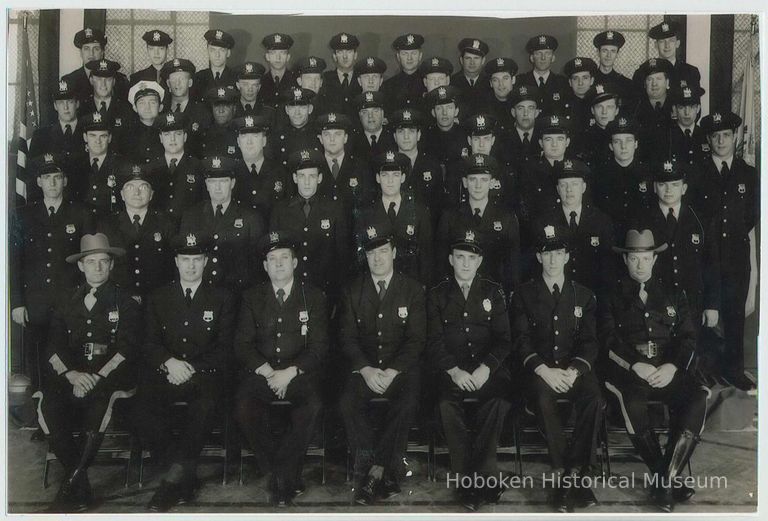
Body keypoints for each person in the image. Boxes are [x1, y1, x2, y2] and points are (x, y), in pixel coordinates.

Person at [600, 228, 708, 512]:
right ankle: (667, 481)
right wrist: (636, 364)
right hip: (630, 372)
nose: (639, 264)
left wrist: (672, 366)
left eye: (645, 258)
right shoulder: (612, 296)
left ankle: (663, 480)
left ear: (654, 259)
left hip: (668, 370)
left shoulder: (674, 293)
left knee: (697, 396)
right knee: (633, 403)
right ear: (625, 261)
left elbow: (688, 338)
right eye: (634, 258)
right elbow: (608, 340)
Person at [38, 233, 140, 512]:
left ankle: (68, 489)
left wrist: (95, 376)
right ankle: (79, 485)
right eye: (91, 261)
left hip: (107, 377)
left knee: (97, 410)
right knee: (50, 409)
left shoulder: (126, 301)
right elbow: (53, 346)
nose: (97, 267)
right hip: (72, 375)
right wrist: (71, 375)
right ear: (81, 266)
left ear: (111, 266)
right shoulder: (66, 300)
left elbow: (126, 349)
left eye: (103, 262)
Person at [137, 232, 236, 512]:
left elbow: (226, 346)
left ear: (205, 262)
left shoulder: (222, 297)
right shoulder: (158, 297)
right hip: (167, 371)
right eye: (185, 260)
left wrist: (191, 367)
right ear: (176, 262)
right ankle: (184, 472)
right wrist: (169, 363)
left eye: (196, 260)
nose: (190, 266)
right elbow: (149, 342)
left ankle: (171, 482)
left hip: (204, 374)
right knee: (142, 410)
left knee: (205, 406)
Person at [512, 224, 603, 513]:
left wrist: (575, 370)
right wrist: (544, 370)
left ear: (566, 257)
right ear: (539, 258)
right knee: (542, 399)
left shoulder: (584, 295)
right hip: (540, 372)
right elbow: (521, 341)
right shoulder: (523, 294)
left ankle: (570, 476)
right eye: (546, 254)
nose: (552, 260)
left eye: (559, 254)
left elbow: (590, 342)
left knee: (595, 398)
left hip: (572, 371)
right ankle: (570, 472)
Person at [234, 231, 329, 506]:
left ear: (295, 262)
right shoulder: (252, 297)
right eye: (272, 259)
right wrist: (267, 371)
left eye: (284, 258)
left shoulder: (313, 295)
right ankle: (281, 473)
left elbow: (320, 346)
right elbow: (242, 344)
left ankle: (280, 476)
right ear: (264, 266)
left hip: (299, 374)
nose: (278, 264)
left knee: (311, 406)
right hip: (263, 373)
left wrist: (291, 372)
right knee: (243, 406)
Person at [338, 225, 426, 505]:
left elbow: (416, 339)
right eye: (372, 253)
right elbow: (347, 338)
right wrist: (365, 369)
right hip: (364, 370)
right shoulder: (353, 290)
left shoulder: (411, 289)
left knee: (407, 403)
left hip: (400, 371)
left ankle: (371, 474)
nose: (378, 258)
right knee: (346, 404)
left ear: (394, 253)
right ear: (365, 257)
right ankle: (384, 474)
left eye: (384, 252)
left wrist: (391, 370)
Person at [427, 230, 512, 511]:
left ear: (479, 262)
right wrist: (454, 370)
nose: (465, 263)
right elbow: (434, 341)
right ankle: (475, 479)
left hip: (486, 371)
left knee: (498, 400)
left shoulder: (492, 291)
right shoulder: (438, 293)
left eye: (471, 258)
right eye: (460, 257)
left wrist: (487, 368)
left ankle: (476, 478)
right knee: (444, 404)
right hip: (452, 371)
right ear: (450, 260)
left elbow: (504, 340)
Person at [11, 154, 94, 391]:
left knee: (70, 353)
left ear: (65, 181)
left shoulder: (80, 213)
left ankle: (69, 410)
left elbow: (88, 258)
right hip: (34, 302)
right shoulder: (23, 214)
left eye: (57, 178)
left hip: (70, 300)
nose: (53, 183)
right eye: (47, 178)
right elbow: (14, 262)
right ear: (38, 182)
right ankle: (41, 416)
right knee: (37, 358)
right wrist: (17, 302)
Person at [689, 111, 758, 391]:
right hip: (705, 256)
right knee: (704, 313)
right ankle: (703, 369)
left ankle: (734, 370)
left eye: (726, 135)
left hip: (736, 256)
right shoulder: (697, 172)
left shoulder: (749, 174)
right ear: (708, 140)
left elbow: (753, 214)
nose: (721, 140)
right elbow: (692, 212)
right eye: (715, 136)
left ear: (734, 138)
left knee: (734, 315)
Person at [270, 148, 350, 301]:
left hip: (325, 290)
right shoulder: (280, 210)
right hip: (291, 290)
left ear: (319, 178)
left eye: (312, 176)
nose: (306, 182)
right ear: (294, 178)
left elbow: (342, 256)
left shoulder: (334, 209)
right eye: (301, 176)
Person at [179, 156, 266, 292]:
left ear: (232, 183)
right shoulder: (191, 215)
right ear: (206, 184)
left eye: (223, 181)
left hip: (238, 292)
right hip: (203, 292)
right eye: (213, 182)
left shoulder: (250, 217)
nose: (218, 187)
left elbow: (256, 265)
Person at [437, 153, 520, 297]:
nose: (477, 185)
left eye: (484, 180)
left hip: (495, 293)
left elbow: (513, 263)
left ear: (492, 182)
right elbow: (441, 261)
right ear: (464, 182)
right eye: (472, 179)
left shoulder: (506, 217)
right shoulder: (450, 216)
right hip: (459, 292)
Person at [96, 162, 176, 303]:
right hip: (119, 298)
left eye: (143, 187)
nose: (137, 192)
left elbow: (174, 265)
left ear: (151, 194)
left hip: (158, 298)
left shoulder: (165, 222)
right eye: (130, 187)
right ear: (122, 194)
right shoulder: (107, 225)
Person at [532, 159, 615, 293]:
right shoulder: (544, 221)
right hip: (560, 293)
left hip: (593, 292)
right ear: (558, 189)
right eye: (564, 185)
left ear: (583, 187)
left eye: (574, 184)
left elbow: (608, 267)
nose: (569, 190)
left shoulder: (601, 220)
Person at [355, 150, 433, 286]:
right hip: (378, 285)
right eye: (385, 175)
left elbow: (426, 258)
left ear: (403, 178)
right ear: (378, 178)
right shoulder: (365, 214)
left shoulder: (419, 212)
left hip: (410, 288)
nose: (390, 181)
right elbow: (361, 258)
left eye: (396, 175)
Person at [28, 79, 85, 202]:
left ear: (77, 103)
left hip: (83, 201)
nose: (65, 107)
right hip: (52, 203)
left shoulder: (90, 133)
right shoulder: (41, 136)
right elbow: (34, 175)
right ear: (55, 106)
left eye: (70, 102)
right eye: (60, 103)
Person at [147, 111, 206, 223]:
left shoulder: (198, 167)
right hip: (158, 230)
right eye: (167, 135)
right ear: (160, 138)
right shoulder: (150, 168)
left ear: (185, 137)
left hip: (189, 229)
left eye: (177, 134)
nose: (172, 139)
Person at [314, 111, 372, 219]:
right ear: (321, 139)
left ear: (345, 138)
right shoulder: (313, 168)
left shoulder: (361, 167)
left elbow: (367, 205)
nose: (332, 139)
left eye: (338, 134)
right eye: (327, 134)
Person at [232, 114, 290, 220]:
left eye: (255, 136)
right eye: (244, 136)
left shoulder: (280, 172)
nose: (249, 142)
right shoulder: (230, 173)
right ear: (238, 142)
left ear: (264, 141)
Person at [69, 111, 123, 215]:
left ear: (110, 138)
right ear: (85, 137)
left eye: (103, 136)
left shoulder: (120, 164)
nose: (98, 141)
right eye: (92, 136)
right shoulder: (75, 165)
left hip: (111, 223)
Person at [79, 59, 134, 154]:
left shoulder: (126, 108)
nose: (103, 84)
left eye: (108, 80)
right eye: (99, 79)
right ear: (91, 80)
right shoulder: (82, 108)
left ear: (114, 82)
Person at [61, 28, 128, 105]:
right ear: (80, 52)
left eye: (96, 49)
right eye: (86, 49)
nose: (91, 54)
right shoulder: (69, 81)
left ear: (102, 52)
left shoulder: (119, 79)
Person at [160, 58, 212, 154]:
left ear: (190, 83)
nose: (177, 83)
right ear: (168, 83)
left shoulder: (202, 112)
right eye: (174, 79)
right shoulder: (161, 111)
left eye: (182, 79)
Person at [638, 20, 701, 92]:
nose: (667, 46)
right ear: (656, 45)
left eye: (671, 41)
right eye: (662, 41)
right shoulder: (644, 71)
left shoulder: (691, 72)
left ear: (677, 44)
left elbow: (694, 102)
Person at [515, 34, 570, 114]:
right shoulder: (520, 82)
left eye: (547, 53)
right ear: (532, 58)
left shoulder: (563, 83)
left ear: (553, 58)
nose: (543, 58)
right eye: (538, 53)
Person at [422, 85, 470, 172]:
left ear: (456, 111)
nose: (444, 113)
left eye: (449, 108)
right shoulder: (425, 137)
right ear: (433, 113)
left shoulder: (466, 135)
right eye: (439, 108)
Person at [381, 33, 426, 113]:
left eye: (414, 53)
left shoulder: (428, 83)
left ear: (420, 56)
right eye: (405, 54)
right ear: (398, 57)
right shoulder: (387, 86)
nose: (409, 58)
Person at [665, 84, 708, 167]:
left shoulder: (706, 135)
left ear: (698, 108)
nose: (687, 113)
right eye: (682, 107)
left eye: (692, 107)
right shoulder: (665, 135)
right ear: (674, 109)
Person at [124, 81, 166, 164]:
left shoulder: (167, 132)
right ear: (135, 108)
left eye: (152, 102)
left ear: (160, 107)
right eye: (142, 103)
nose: (147, 107)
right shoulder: (127, 134)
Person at [592, 30, 636, 109]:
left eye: (613, 51)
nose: (608, 55)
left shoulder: (626, 84)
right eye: (604, 51)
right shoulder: (589, 82)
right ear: (598, 52)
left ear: (617, 54)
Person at [348, 90, 396, 163]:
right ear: (359, 116)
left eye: (375, 111)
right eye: (365, 112)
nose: (370, 116)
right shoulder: (352, 142)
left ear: (382, 114)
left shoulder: (394, 139)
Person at [323, 32, 362, 117]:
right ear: (334, 56)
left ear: (355, 55)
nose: (345, 56)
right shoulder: (325, 79)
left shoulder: (363, 78)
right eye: (340, 52)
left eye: (349, 51)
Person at [191, 29, 236, 101]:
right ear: (207, 52)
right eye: (213, 50)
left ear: (228, 53)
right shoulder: (198, 77)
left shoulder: (236, 77)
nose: (217, 55)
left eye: (222, 50)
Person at [452, 38, 493, 115]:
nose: (472, 62)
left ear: (483, 60)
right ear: (461, 60)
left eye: (476, 58)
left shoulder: (491, 82)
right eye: (468, 58)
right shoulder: (452, 82)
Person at [258, 33, 297, 110]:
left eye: (282, 53)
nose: (278, 57)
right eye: (273, 53)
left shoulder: (297, 80)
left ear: (288, 57)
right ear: (267, 57)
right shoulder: (260, 82)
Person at [200, 85, 240, 159]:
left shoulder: (241, 134)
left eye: (226, 106)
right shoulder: (203, 133)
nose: (221, 110)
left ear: (234, 109)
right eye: (217, 105)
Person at [481, 57, 519, 135]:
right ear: (491, 83)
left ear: (513, 80)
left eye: (505, 78)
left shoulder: (521, 104)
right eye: (495, 80)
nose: (501, 84)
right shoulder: (483, 107)